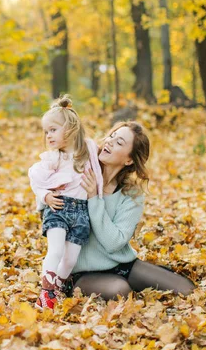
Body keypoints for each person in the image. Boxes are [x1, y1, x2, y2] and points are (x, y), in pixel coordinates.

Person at [64, 120, 195, 300]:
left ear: (129, 159)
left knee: (187, 289)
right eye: (112, 136)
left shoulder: (132, 193)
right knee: (121, 291)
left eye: (119, 142)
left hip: (121, 264)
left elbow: (114, 243)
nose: (109, 142)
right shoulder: (80, 175)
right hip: (83, 271)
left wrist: (94, 198)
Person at [28, 96, 104, 310]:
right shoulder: (54, 158)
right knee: (56, 251)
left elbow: (99, 171)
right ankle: (46, 294)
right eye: (46, 132)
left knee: (70, 260)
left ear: (69, 129)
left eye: (53, 130)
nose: (48, 135)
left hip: (81, 213)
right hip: (59, 208)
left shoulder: (88, 148)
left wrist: (99, 197)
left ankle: (57, 288)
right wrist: (45, 196)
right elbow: (35, 177)